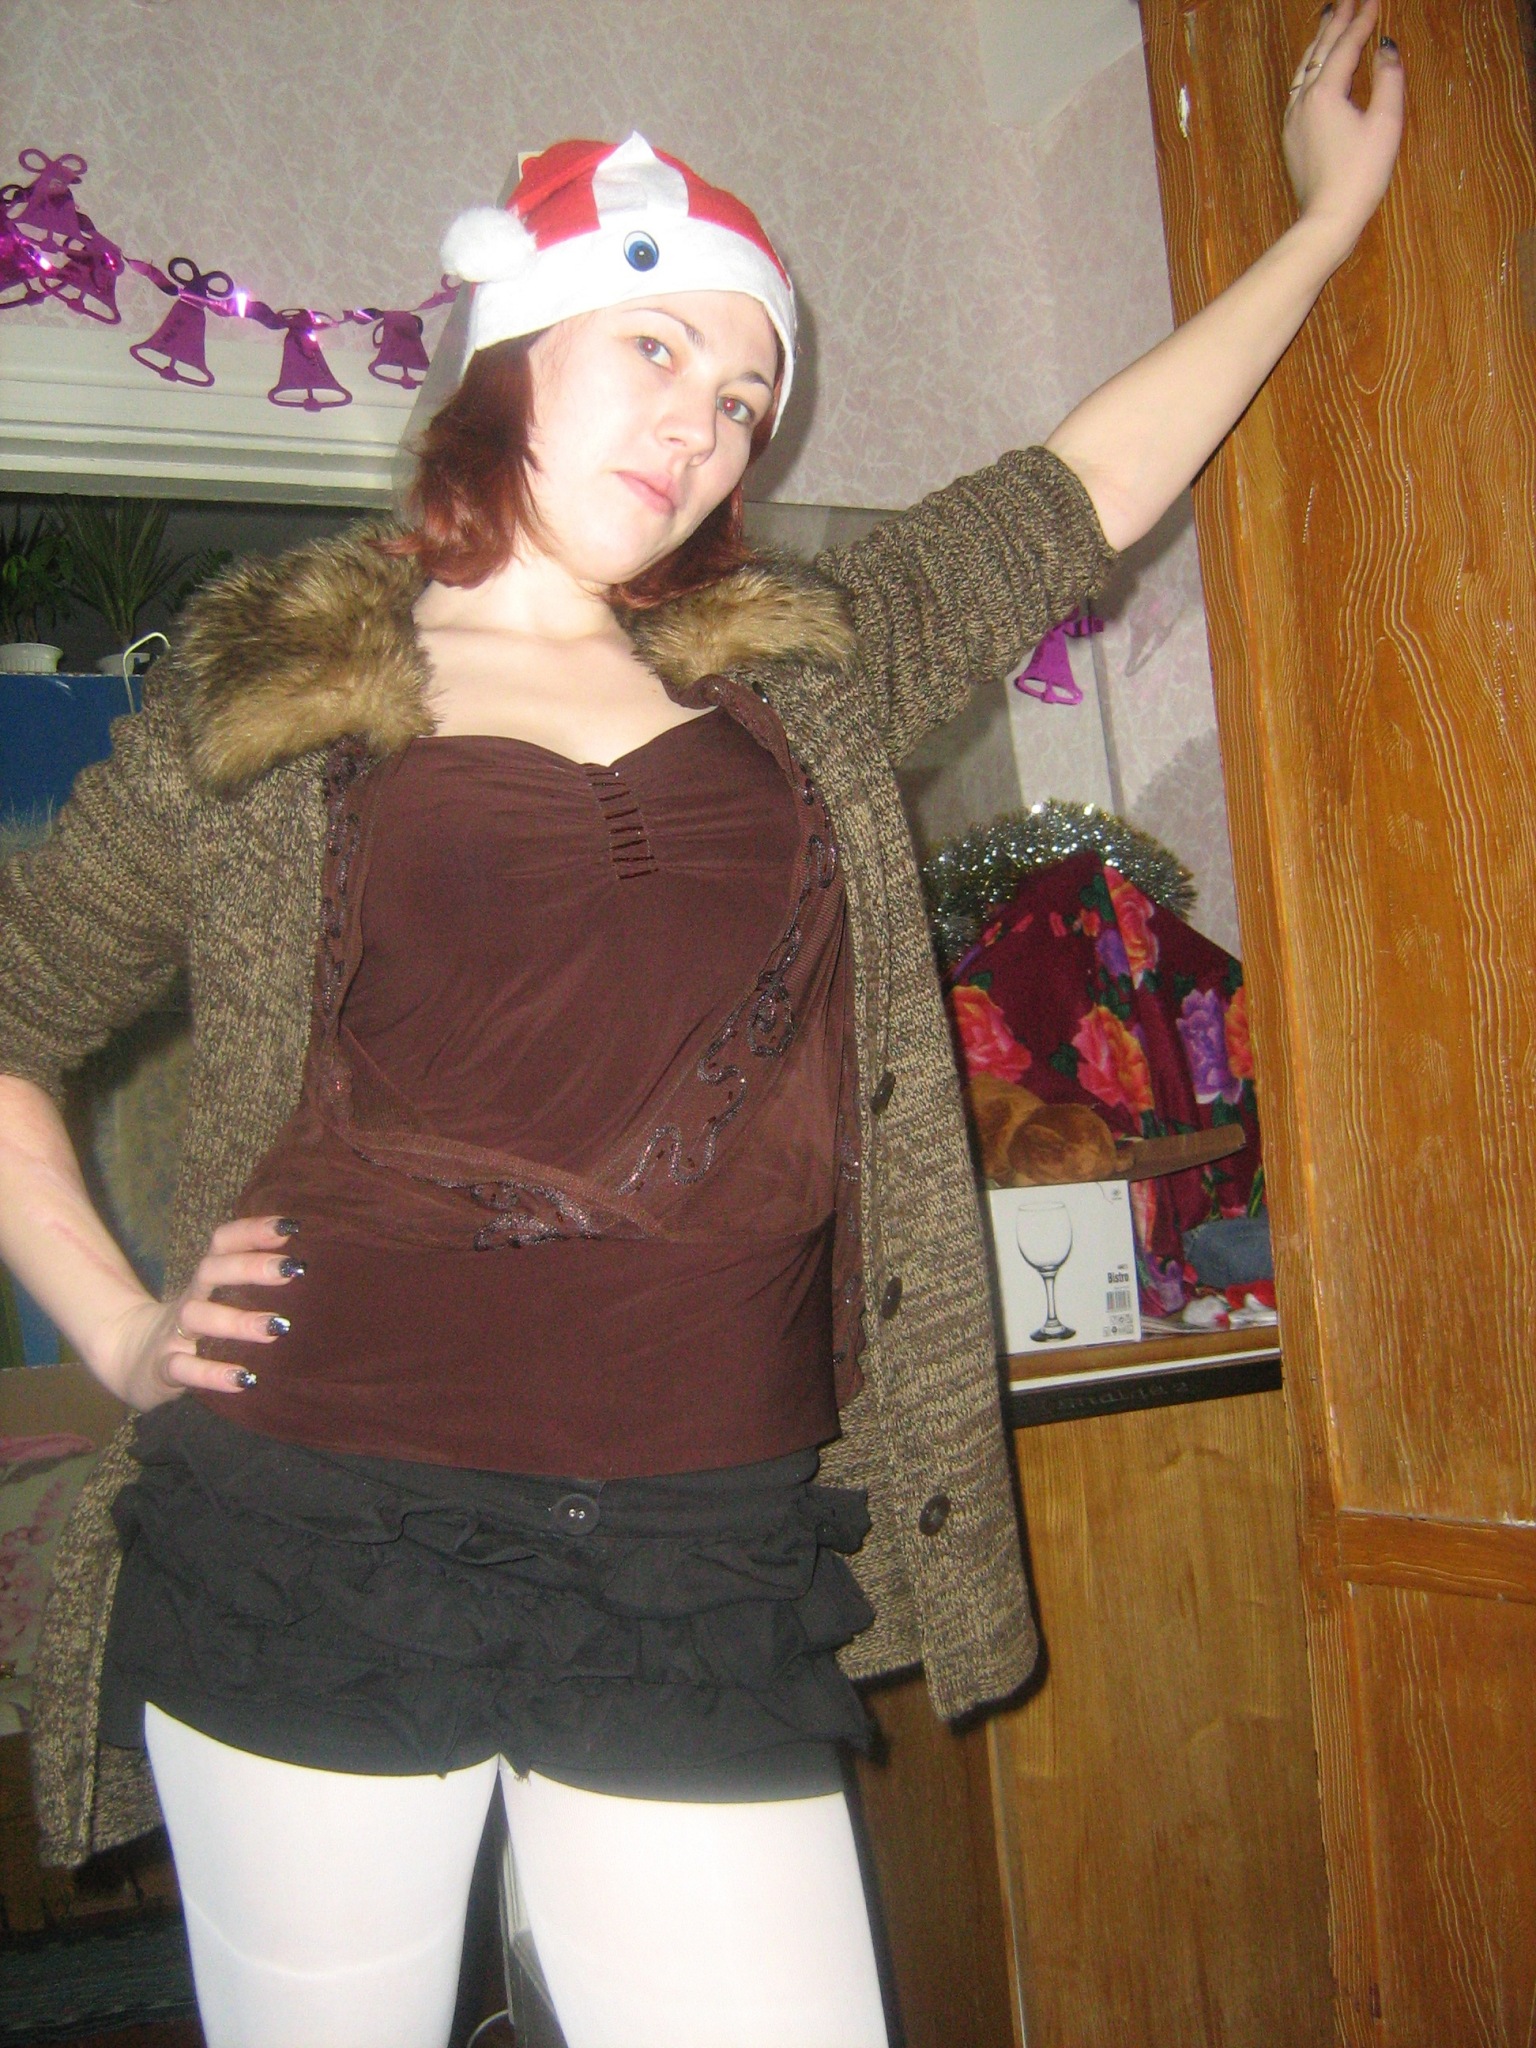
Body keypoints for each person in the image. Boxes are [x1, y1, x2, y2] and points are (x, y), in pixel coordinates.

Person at [0, 8, 1401, 2046]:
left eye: (749, 397)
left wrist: (1324, 226)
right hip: (321, 1519)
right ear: (506, 352)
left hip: (702, 1542)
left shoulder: (803, 677)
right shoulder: (268, 713)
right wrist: (120, 1323)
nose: (709, 426)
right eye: (659, 348)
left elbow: (1077, 488)